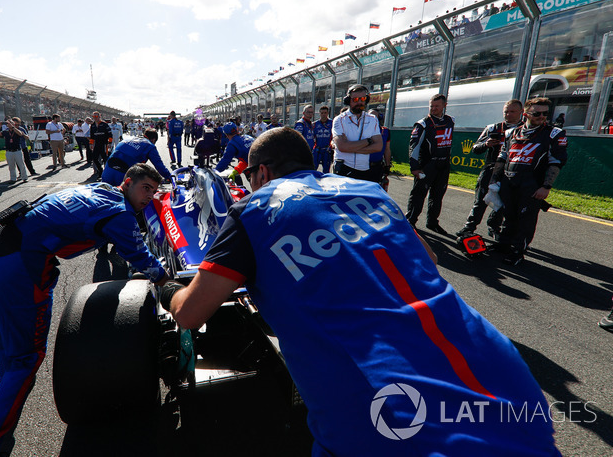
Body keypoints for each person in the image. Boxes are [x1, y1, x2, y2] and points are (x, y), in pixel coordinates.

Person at [159, 127, 559, 457]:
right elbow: (428, 259)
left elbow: (191, 314)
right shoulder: (371, 192)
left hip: (390, 395)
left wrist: (171, 293)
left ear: (261, 173)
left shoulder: (255, 208)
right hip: (494, 367)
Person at [0, 164, 167, 457]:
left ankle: (6, 394)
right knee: (26, 359)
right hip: (15, 267)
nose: (149, 196)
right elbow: (141, 257)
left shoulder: (100, 189)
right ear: (128, 182)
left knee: (7, 344)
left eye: (153, 191)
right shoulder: (121, 214)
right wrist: (167, 281)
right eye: (145, 188)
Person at [492, 97, 568, 265]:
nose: (542, 116)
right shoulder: (511, 133)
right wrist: (494, 180)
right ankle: (503, 245)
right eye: (537, 113)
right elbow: (502, 156)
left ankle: (518, 251)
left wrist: (546, 186)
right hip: (509, 180)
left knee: (525, 220)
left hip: (532, 184)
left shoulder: (554, 133)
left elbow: (556, 162)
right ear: (526, 114)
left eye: (545, 113)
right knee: (508, 215)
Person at [456, 100, 523, 239]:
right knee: (480, 201)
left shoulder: (525, 130)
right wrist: (486, 144)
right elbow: (475, 148)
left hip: (511, 172)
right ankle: (469, 227)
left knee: (503, 203)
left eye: (512, 111)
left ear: (521, 112)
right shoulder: (493, 128)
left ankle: (494, 227)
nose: (508, 114)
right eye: (506, 111)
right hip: (490, 169)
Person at [406, 93, 454, 234]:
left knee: (438, 195)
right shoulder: (422, 124)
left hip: (444, 165)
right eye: (431, 106)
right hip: (427, 165)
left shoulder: (451, 121)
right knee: (418, 195)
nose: (433, 109)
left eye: (436, 106)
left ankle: (432, 222)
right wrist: (415, 167)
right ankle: (410, 221)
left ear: (444, 106)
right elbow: (413, 146)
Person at [331, 85, 382, 180]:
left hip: (364, 169)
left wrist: (350, 148)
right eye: (355, 99)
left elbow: (378, 146)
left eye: (362, 99)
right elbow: (342, 147)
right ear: (348, 101)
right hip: (344, 168)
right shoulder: (339, 120)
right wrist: (368, 141)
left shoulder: (372, 119)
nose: (359, 102)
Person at [101, 129, 171, 186]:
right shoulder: (149, 146)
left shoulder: (127, 139)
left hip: (107, 171)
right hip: (122, 176)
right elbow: (159, 165)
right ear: (153, 140)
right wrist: (169, 177)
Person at [0, 119, 28, 183]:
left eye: (11, 123)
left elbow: (20, 134)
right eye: (8, 123)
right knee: (11, 166)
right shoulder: (6, 131)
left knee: (21, 164)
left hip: (17, 150)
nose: (9, 125)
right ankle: (13, 178)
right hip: (9, 151)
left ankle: (24, 177)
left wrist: (13, 127)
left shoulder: (16, 130)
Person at [367, 109, 392, 188]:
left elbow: (387, 149)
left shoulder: (385, 131)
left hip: (377, 166)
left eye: (374, 116)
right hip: (363, 165)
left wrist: (387, 166)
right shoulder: (362, 130)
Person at [89, 111, 112, 179]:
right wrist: (91, 144)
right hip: (97, 144)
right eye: (94, 117)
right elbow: (92, 136)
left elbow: (110, 134)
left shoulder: (104, 124)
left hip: (104, 144)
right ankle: (100, 170)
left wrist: (109, 142)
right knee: (94, 158)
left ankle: (106, 173)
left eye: (96, 116)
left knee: (105, 159)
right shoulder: (92, 125)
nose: (95, 118)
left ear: (100, 116)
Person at [312, 106, 333, 173]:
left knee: (326, 170)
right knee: (313, 168)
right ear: (319, 113)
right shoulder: (314, 124)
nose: (324, 114)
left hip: (327, 150)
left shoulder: (332, 123)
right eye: (322, 113)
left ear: (328, 113)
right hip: (317, 150)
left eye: (325, 113)